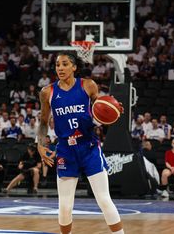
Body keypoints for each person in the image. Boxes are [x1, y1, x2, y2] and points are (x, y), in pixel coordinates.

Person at [37, 51, 124, 234]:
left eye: (65, 64)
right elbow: (44, 122)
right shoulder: (47, 92)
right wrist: (40, 144)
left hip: (89, 147)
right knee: (65, 206)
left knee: (103, 199)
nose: (60, 68)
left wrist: (112, 111)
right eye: (58, 64)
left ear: (74, 67)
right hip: (66, 150)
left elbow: (100, 111)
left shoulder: (88, 85)